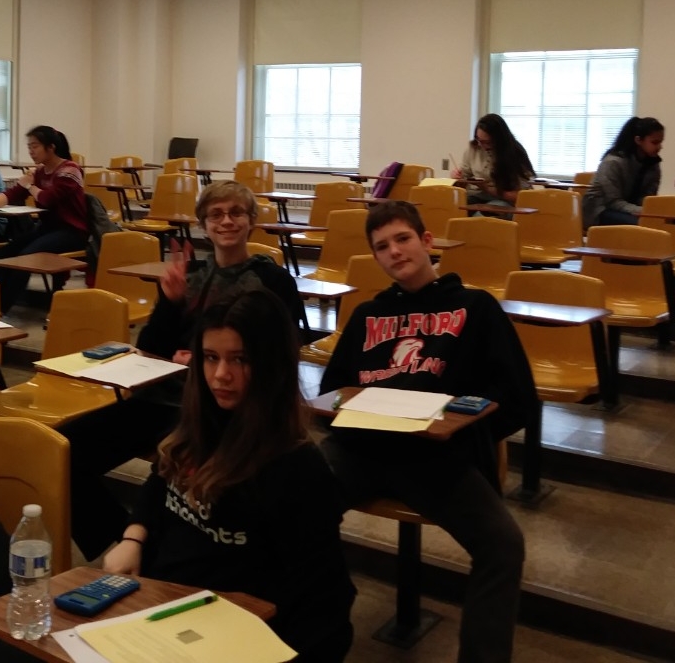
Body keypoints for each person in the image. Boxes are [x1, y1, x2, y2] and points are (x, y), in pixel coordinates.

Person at [319, 200, 534, 663]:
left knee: (503, 544)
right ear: (375, 258)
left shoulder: (475, 307)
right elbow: (332, 388)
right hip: (362, 449)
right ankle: (319, 631)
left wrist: (462, 427)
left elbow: (517, 394)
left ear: (427, 241)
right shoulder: (365, 315)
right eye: (382, 246)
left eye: (403, 239)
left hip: (436, 458)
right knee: (290, 505)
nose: (395, 252)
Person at [56, 180, 305, 561]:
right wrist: (170, 303)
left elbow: (282, 352)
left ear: (251, 221)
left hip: (226, 407)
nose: (226, 221)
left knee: (181, 461)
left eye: (236, 213)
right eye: (216, 214)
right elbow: (152, 349)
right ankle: (120, 542)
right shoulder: (189, 276)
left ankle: (146, 547)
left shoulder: (272, 280)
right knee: (64, 449)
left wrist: (208, 359)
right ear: (204, 223)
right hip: (166, 397)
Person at [104, 289, 356, 662]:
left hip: (225, 634)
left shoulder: (297, 468)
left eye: (240, 359)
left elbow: (325, 602)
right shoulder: (199, 423)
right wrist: (133, 537)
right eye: (210, 357)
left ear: (271, 365)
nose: (221, 375)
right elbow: (160, 483)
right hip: (159, 608)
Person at [0, 125, 88, 312]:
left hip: (72, 231)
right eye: (29, 146)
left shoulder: (70, 170)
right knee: (4, 254)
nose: (31, 151)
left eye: (35, 146)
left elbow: (48, 199)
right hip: (47, 229)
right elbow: (11, 194)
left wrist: (30, 187)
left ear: (51, 147)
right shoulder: (38, 172)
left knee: (25, 257)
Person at [583, 116, 665, 228]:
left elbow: (647, 198)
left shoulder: (653, 165)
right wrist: (643, 211)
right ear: (638, 140)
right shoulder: (613, 162)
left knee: (662, 223)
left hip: (627, 209)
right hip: (599, 211)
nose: (660, 147)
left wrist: (652, 211)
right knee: (644, 225)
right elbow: (613, 202)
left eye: (660, 142)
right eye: (655, 142)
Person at [452, 114, 535, 216]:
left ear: (499, 139)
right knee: (452, 208)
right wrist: (457, 178)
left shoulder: (514, 153)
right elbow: (463, 180)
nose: (482, 146)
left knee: (483, 215)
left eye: (487, 142)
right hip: (476, 195)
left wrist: (487, 188)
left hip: (503, 199)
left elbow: (522, 195)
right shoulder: (474, 148)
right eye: (479, 140)